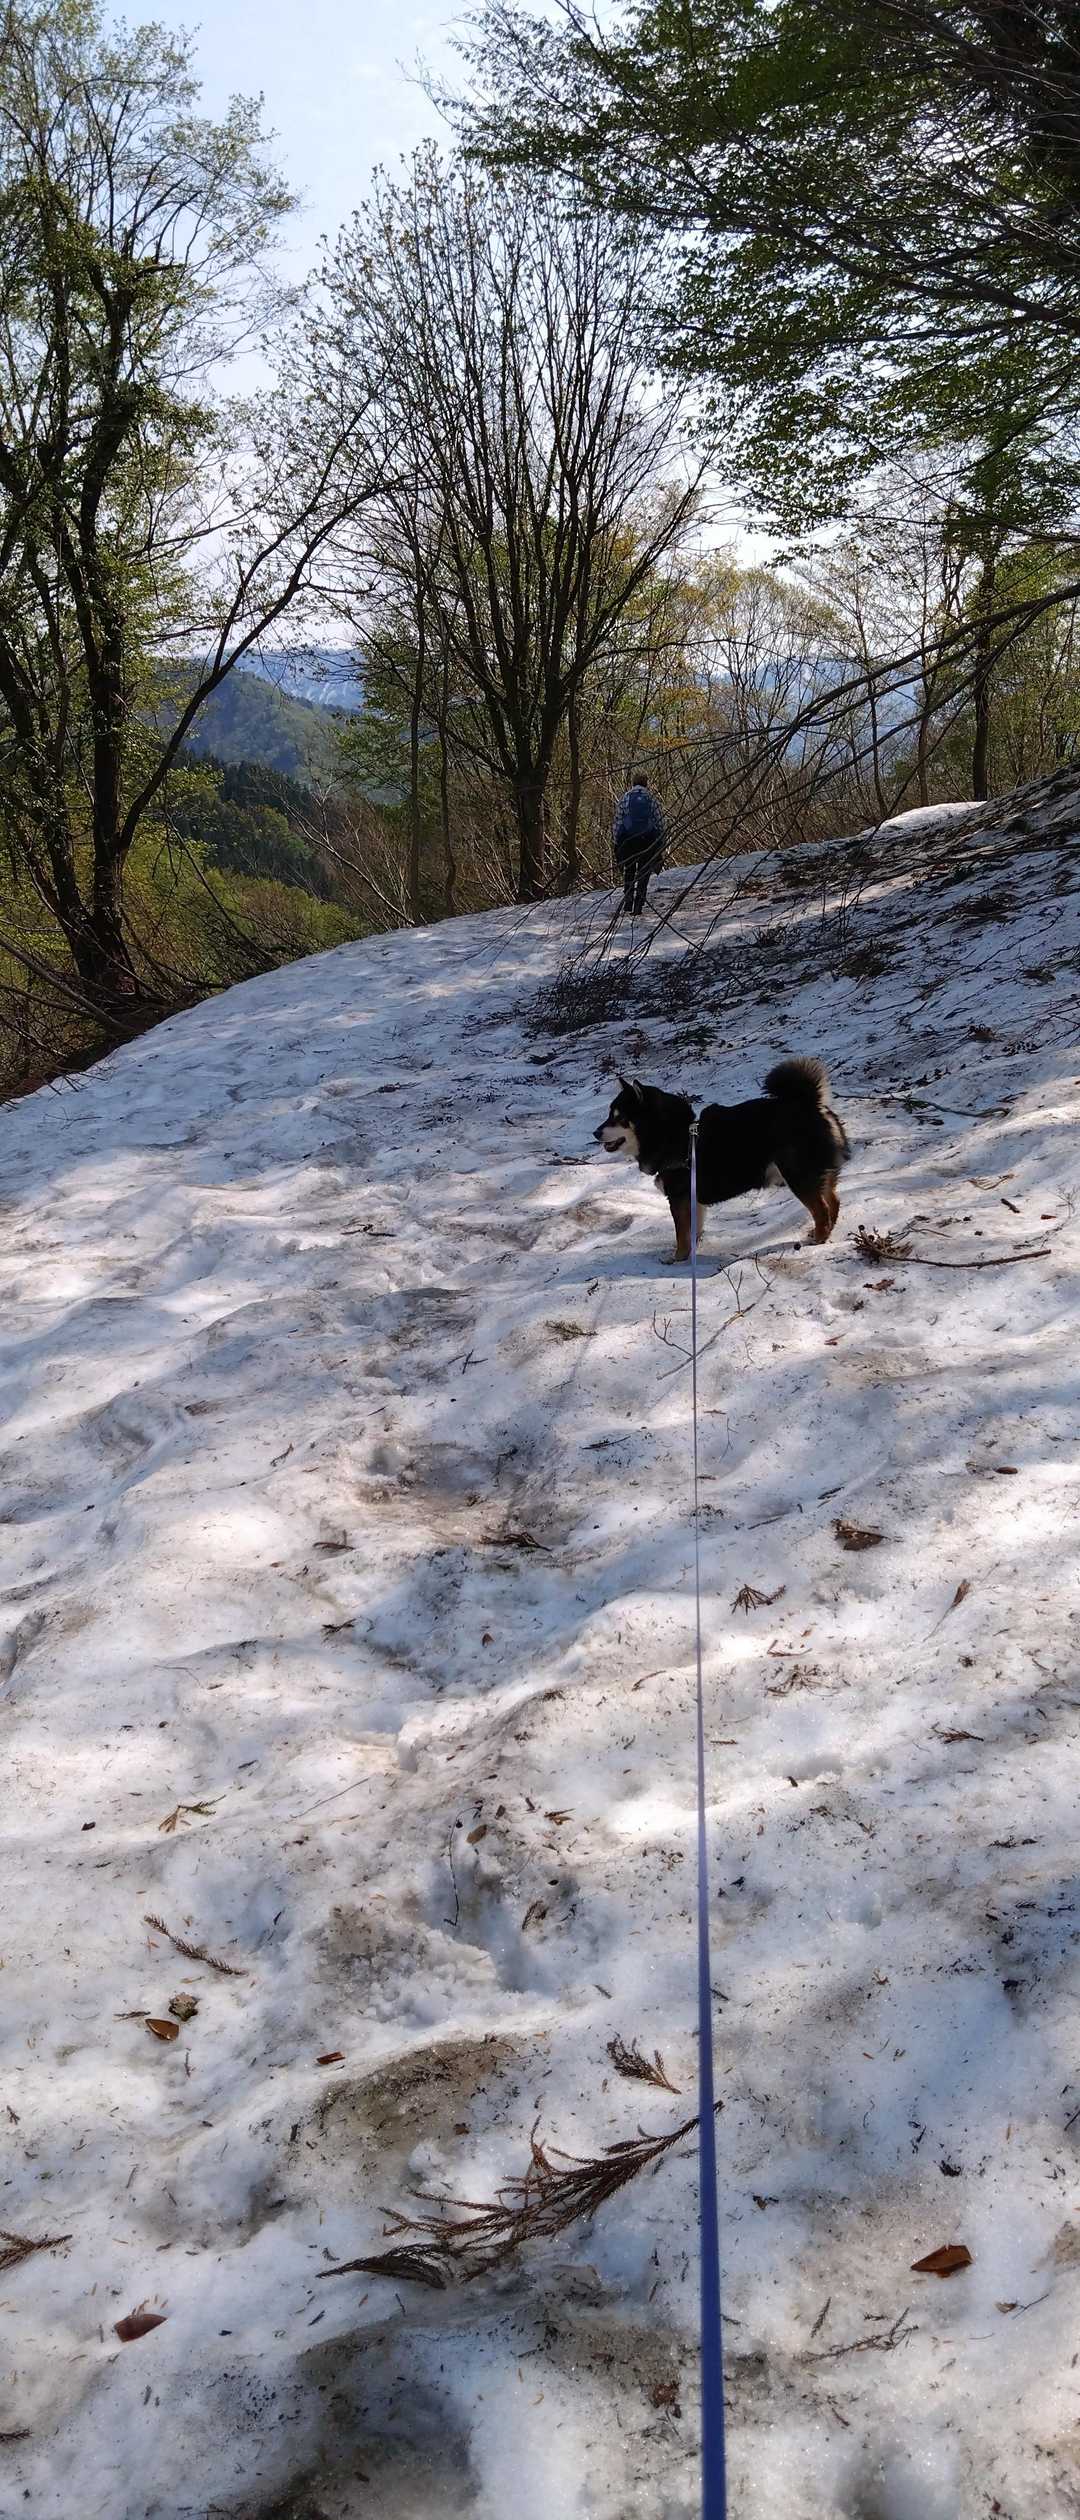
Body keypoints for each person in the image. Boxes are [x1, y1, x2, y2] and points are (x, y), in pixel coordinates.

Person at [613, 773, 665, 916]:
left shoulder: (625, 797)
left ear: (633, 783)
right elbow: (660, 821)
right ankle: (639, 904)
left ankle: (628, 900)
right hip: (647, 840)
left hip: (629, 840)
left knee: (629, 870)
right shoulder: (651, 798)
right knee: (644, 871)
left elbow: (618, 820)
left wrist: (617, 841)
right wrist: (660, 841)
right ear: (646, 783)